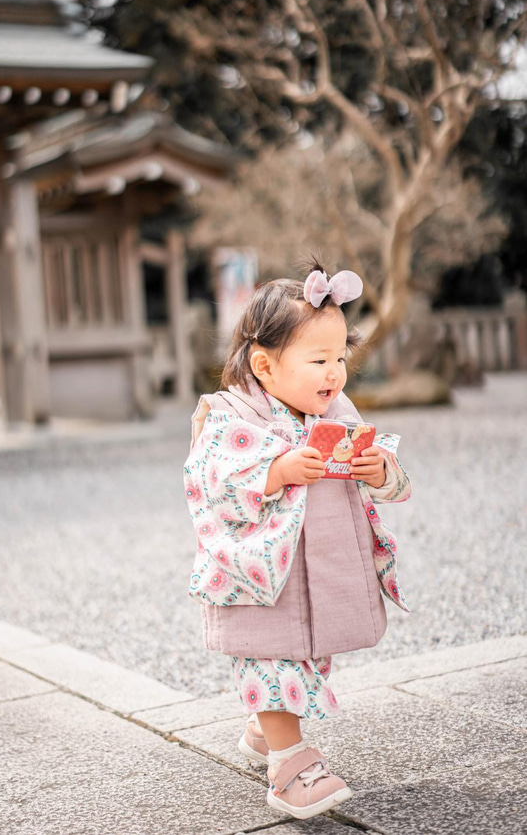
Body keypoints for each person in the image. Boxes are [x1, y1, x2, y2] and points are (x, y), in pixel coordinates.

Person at [184, 262, 412, 820]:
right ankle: (290, 767)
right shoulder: (228, 415)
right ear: (264, 365)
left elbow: (395, 485)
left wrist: (378, 470)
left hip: (322, 570)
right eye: (318, 360)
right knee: (274, 655)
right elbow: (211, 480)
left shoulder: (338, 413)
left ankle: (266, 730)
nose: (334, 373)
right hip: (260, 575)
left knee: (307, 659)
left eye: (340, 358)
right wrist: (278, 469)